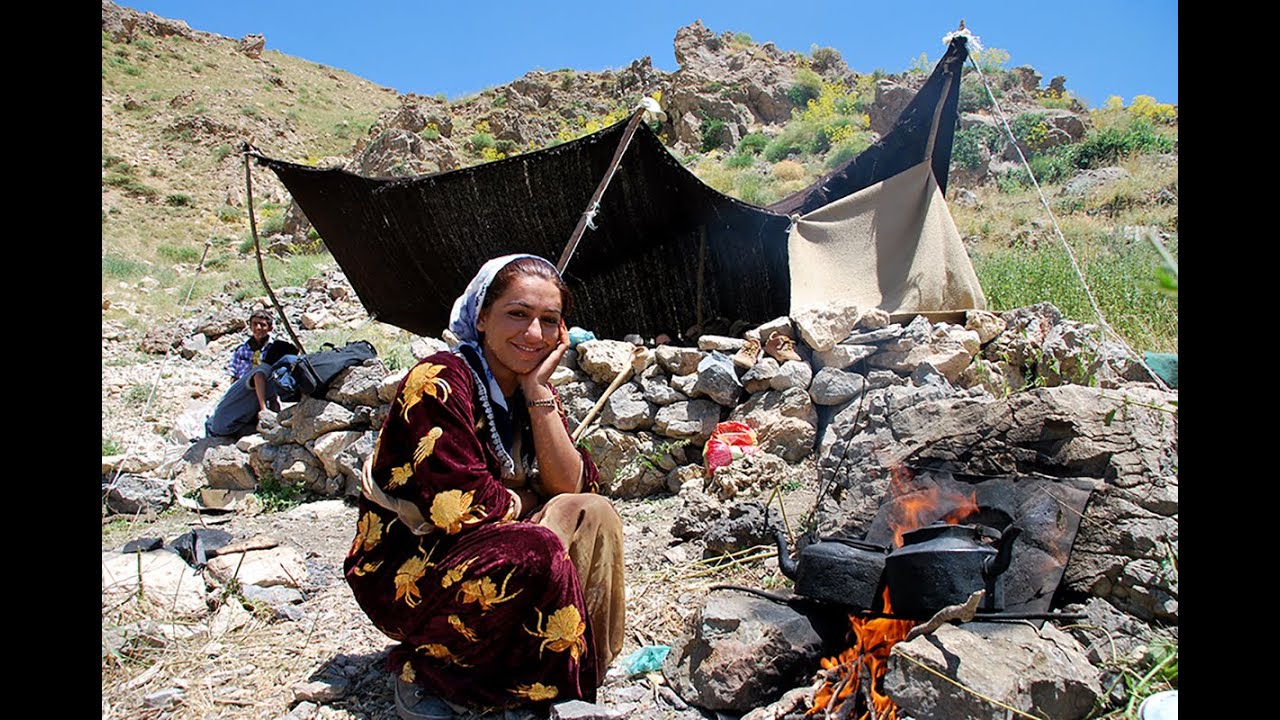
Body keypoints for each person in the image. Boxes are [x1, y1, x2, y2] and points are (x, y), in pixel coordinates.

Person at [345, 255, 626, 719]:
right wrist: (528, 502)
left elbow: (576, 482)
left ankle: (566, 672)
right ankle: (434, 676)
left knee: (592, 512)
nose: (533, 334)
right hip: (408, 569)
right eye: (517, 314)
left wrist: (538, 389)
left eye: (549, 321)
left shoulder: (527, 388)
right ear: (481, 317)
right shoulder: (439, 380)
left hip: (486, 547)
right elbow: (457, 505)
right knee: (533, 546)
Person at [205, 309, 297, 438]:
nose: (258, 328)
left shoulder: (274, 349)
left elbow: (269, 377)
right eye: (255, 324)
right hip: (246, 391)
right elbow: (237, 376)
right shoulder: (241, 350)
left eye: (263, 325)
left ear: (270, 328)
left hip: (266, 392)